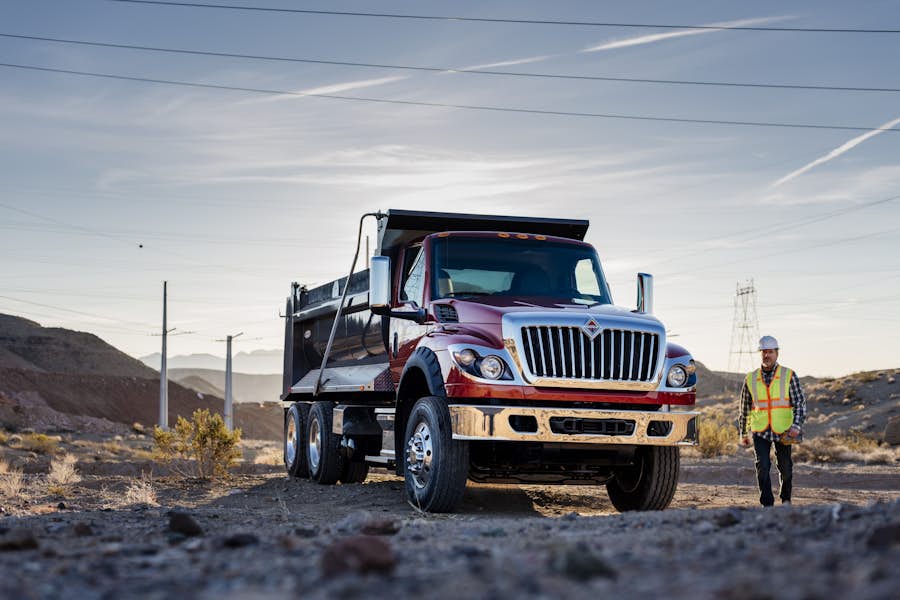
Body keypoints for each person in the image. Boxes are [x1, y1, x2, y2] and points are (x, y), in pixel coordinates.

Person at [739, 335, 807, 507]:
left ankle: (786, 501)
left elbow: (799, 402)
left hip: (784, 429)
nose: (767, 355)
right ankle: (767, 504)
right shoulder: (750, 378)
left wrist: (796, 426)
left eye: (770, 352)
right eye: (764, 352)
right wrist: (743, 432)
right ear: (760, 354)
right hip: (760, 429)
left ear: (777, 353)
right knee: (762, 466)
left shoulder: (789, 375)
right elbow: (745, 407)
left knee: (785, 468)